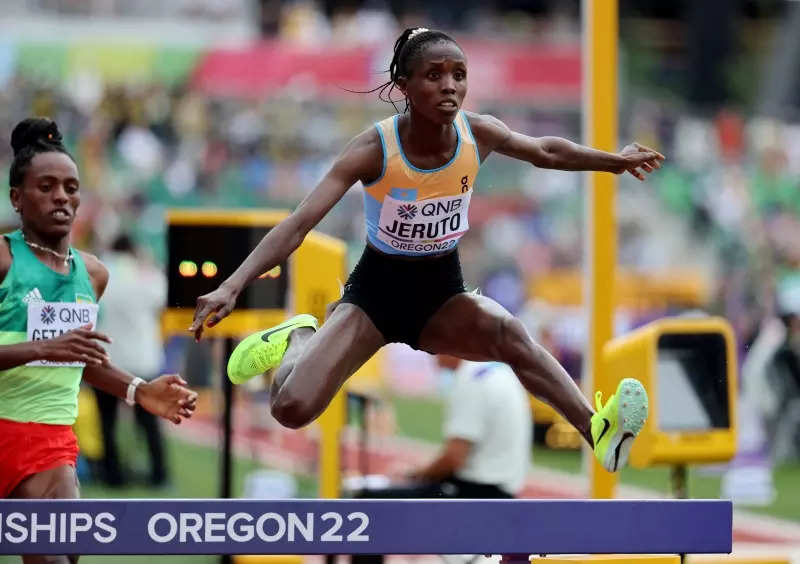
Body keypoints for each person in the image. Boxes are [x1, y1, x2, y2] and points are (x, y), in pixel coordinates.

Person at [190, 27, 660, 473]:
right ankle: (299, 337)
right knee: (290, 409)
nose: (450, 85)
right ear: (405, 85)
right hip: (374, 297)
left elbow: (546, 151)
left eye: (459, 74)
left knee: (511, 336)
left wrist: (614, 161)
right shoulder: (375, 148)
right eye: (434, 75)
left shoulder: (480, 133)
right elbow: (297, 225)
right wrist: (232, 286)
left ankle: (596, 429)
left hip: (441, 294)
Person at [0, 117, 197, 564]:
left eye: (70, 187)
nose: (61, 197)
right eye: (46, 186)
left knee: (61, 556)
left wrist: (138, 389)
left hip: (47, 442)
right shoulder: (3, 259)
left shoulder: (93, 274)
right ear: (17, 197)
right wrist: (42, 349)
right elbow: (55, 350)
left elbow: (80, 358)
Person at [350, 355, 531, 564]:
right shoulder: (499, 372)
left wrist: (416, 475)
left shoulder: (471, 380)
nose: (428, 352)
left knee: (368, 505)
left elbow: (454, 458)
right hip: (501, 493)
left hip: (473, 496)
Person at [94, 233, 170, 487]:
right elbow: (163, 300)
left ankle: (112, 474)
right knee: (149, 421)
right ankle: (159, 474)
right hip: (142, 359)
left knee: (108, 421)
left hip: (107, 359)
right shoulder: (144, 273)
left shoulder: (97, 271)